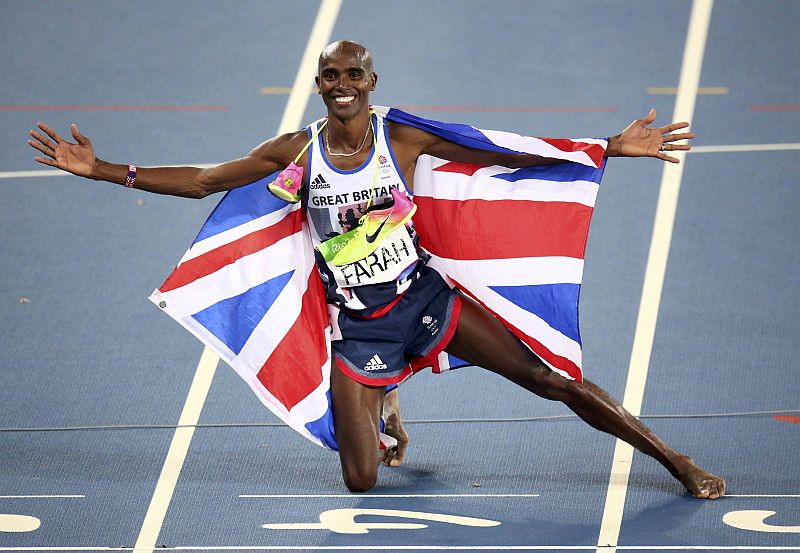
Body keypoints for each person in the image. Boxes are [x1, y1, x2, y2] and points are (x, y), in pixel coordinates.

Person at [28, 40, 726, 499]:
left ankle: (675, 460)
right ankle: (388, 393)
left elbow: (500, 152)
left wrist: (606, 147)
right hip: (361, 334)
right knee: (361, 480)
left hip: (428, 302)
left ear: (370, 81)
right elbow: (206, 179)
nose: (341, 85)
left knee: (551, 380)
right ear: (320, 82)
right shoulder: (293, 154)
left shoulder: (403, 136)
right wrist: (103, 171)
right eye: (330, 75)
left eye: (352, 75)